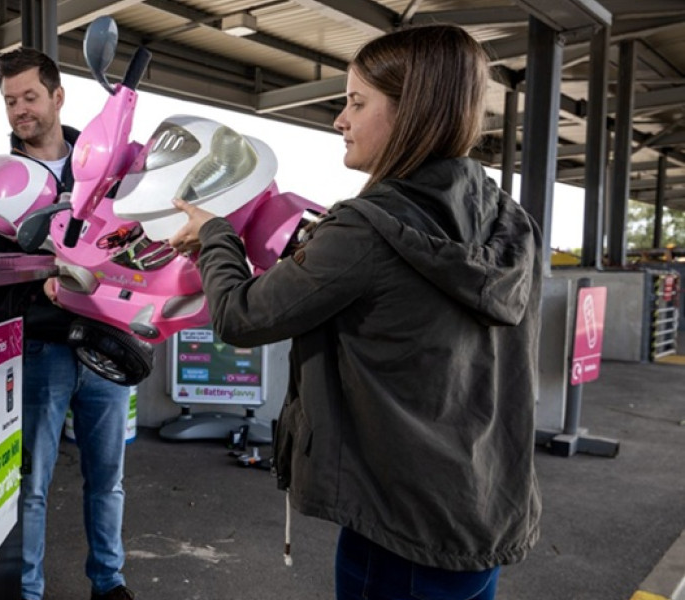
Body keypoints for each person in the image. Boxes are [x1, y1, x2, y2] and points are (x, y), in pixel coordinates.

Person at [167, 25, 542, 600]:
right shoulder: (509, 222)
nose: (340, 119)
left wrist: (216, 236)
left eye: (356, 102)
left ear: (411, 112)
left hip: (396, 529)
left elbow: (242, 317)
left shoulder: (366, 229)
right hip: (476, 510)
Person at [0, 47, 135, 600]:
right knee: (30, 486)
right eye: (10, 101)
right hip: (41, 350)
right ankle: (27, 590)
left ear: (58, 96)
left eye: (30, 97)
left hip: (109, 343)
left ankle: (108, 583)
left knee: (107, 481)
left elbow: (141, 237)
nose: (20, 110)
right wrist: (40, 283)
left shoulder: (110, 164)